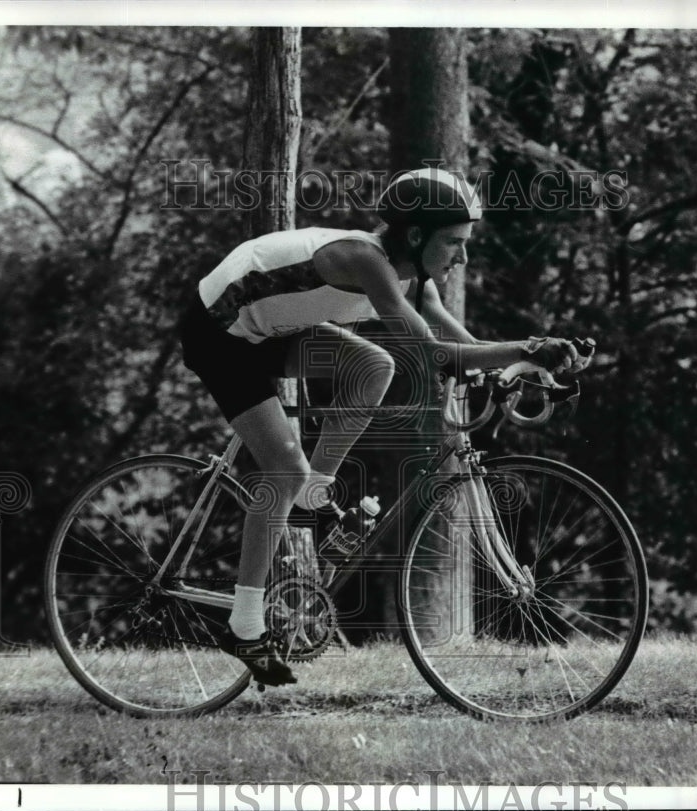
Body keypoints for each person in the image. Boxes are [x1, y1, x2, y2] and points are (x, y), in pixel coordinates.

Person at [178, 167, 581, 686]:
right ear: (415, 235)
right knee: (282, 466)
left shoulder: (417, 277)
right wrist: (528, 346)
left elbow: (460, 345)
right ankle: (245, 622)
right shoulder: (367, 260)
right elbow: (435, 354)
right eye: (455, 243)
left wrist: (514, 368)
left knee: (373, 367)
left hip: (270, 331)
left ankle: (311, 495)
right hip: (220, 333)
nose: (463, 257)